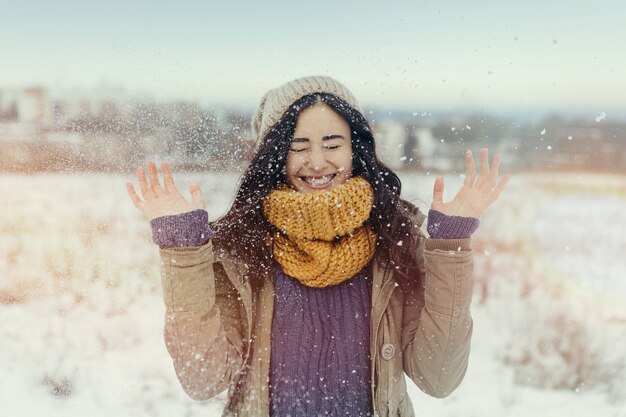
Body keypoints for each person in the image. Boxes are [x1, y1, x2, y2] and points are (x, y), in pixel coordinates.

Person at [126, 76, 508, 417]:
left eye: (332, 143)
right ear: (275, 155)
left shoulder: (396, 241)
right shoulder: (242, 249)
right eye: (299, 145)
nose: (317, 162)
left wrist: (451, 246)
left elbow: (438, 377)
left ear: (355, 150)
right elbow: (203, 378)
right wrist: (182, 251)